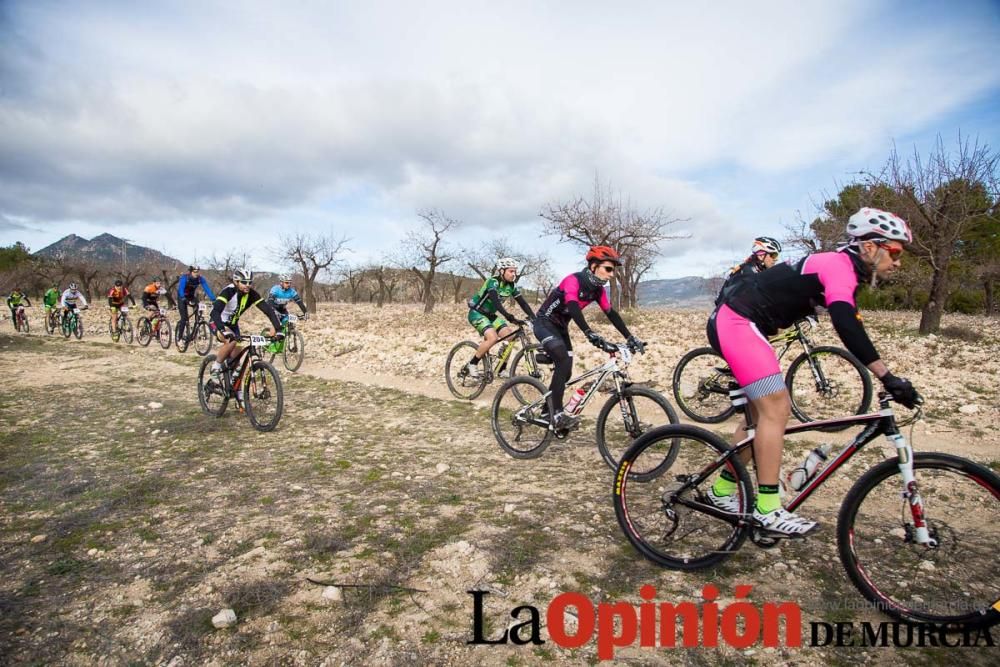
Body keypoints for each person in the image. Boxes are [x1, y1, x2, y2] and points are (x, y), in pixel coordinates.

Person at [706, 208, 922, 536]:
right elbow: (845, 324)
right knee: (776, 407)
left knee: (757, 417)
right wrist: (887, 376)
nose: (898, 260)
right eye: (894, 251)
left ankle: (720, 492)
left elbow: (852, 323)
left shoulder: (844, 271)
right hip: (737, 321)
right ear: (869, 247)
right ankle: (767, 509)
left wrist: (885, 372)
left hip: (743, 323)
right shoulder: (839, 266)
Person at [533, 246, 645, 431]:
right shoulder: (573, 280)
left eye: (613, 271)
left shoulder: (598, 290)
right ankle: (558, 414)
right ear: (594, 266)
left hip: (561, 327)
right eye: (608, 269)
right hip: (544, 323)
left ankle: (547, 411)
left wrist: (630, 337)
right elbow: (573, 306)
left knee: (566, 370)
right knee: (561, 359)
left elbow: (611, 314)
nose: (611, 275)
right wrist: (588, 332)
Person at [464, 258, 535, 378]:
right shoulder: (493, 282)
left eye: (515, 271)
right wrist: (509, 316)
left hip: (490, 316)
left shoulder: (511, 286)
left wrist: (534, 317)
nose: (514, 274)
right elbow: (496, 302)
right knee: (492, 338)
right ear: (502, 271)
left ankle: (501, 369)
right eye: (511, 271)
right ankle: (472, 364)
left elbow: (523, 303)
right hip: (477, 313)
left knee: (511, 336)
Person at [208, 268, 283, 382]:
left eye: (249, 282)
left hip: (233, 325)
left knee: (237, 356)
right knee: (231, 341)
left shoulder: (251, 294)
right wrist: (222, 330)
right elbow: (214, 312)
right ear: (236, 282)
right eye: (244, 282)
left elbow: (268, 310)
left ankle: (233, 387)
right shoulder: (228, 291)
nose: (247, 285)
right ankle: (216, 367)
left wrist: (278, 329)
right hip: (217, 322)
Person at [714, 237, 782, 306]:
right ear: (761, 256)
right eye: (773, 255)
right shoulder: (748, 272)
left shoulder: (757, 270)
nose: (776, 259)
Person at [177, 266, 216, 341]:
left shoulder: (200, 279)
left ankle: (194, 330)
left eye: (198, 271)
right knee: (184, 318)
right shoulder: (185, 278)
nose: (196, 273)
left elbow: (207, 289)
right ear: (191, 272)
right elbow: (181, 289)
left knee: (198, 312)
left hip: (191, 296)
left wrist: (213, 299)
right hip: (182, 297)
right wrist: (183, 298)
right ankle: (180, 337)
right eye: (195, 272)